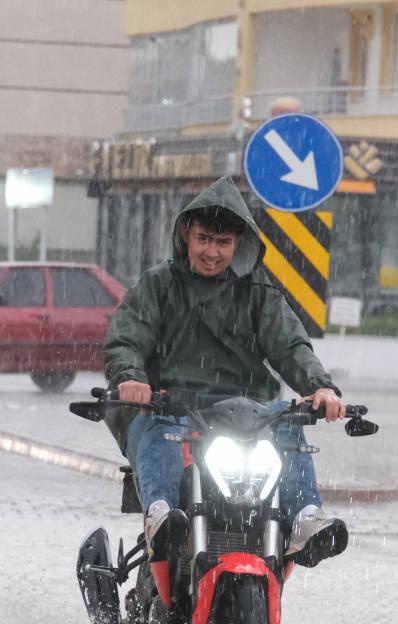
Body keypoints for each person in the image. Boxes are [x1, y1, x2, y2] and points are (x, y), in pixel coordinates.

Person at [103, 176, 348, 568]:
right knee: (155, 424)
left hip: (245, 410)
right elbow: (126, 338)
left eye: (223, 242)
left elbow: (289, 344)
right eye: (204, 239)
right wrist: (132, 379)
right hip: (172, 405)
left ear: (239, 245)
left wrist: (321, 389)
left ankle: (304, 518)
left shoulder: (258, 292)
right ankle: (162, 516)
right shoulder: (158, 286)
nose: (211, 252)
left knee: (288, 424)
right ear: (186, 235)